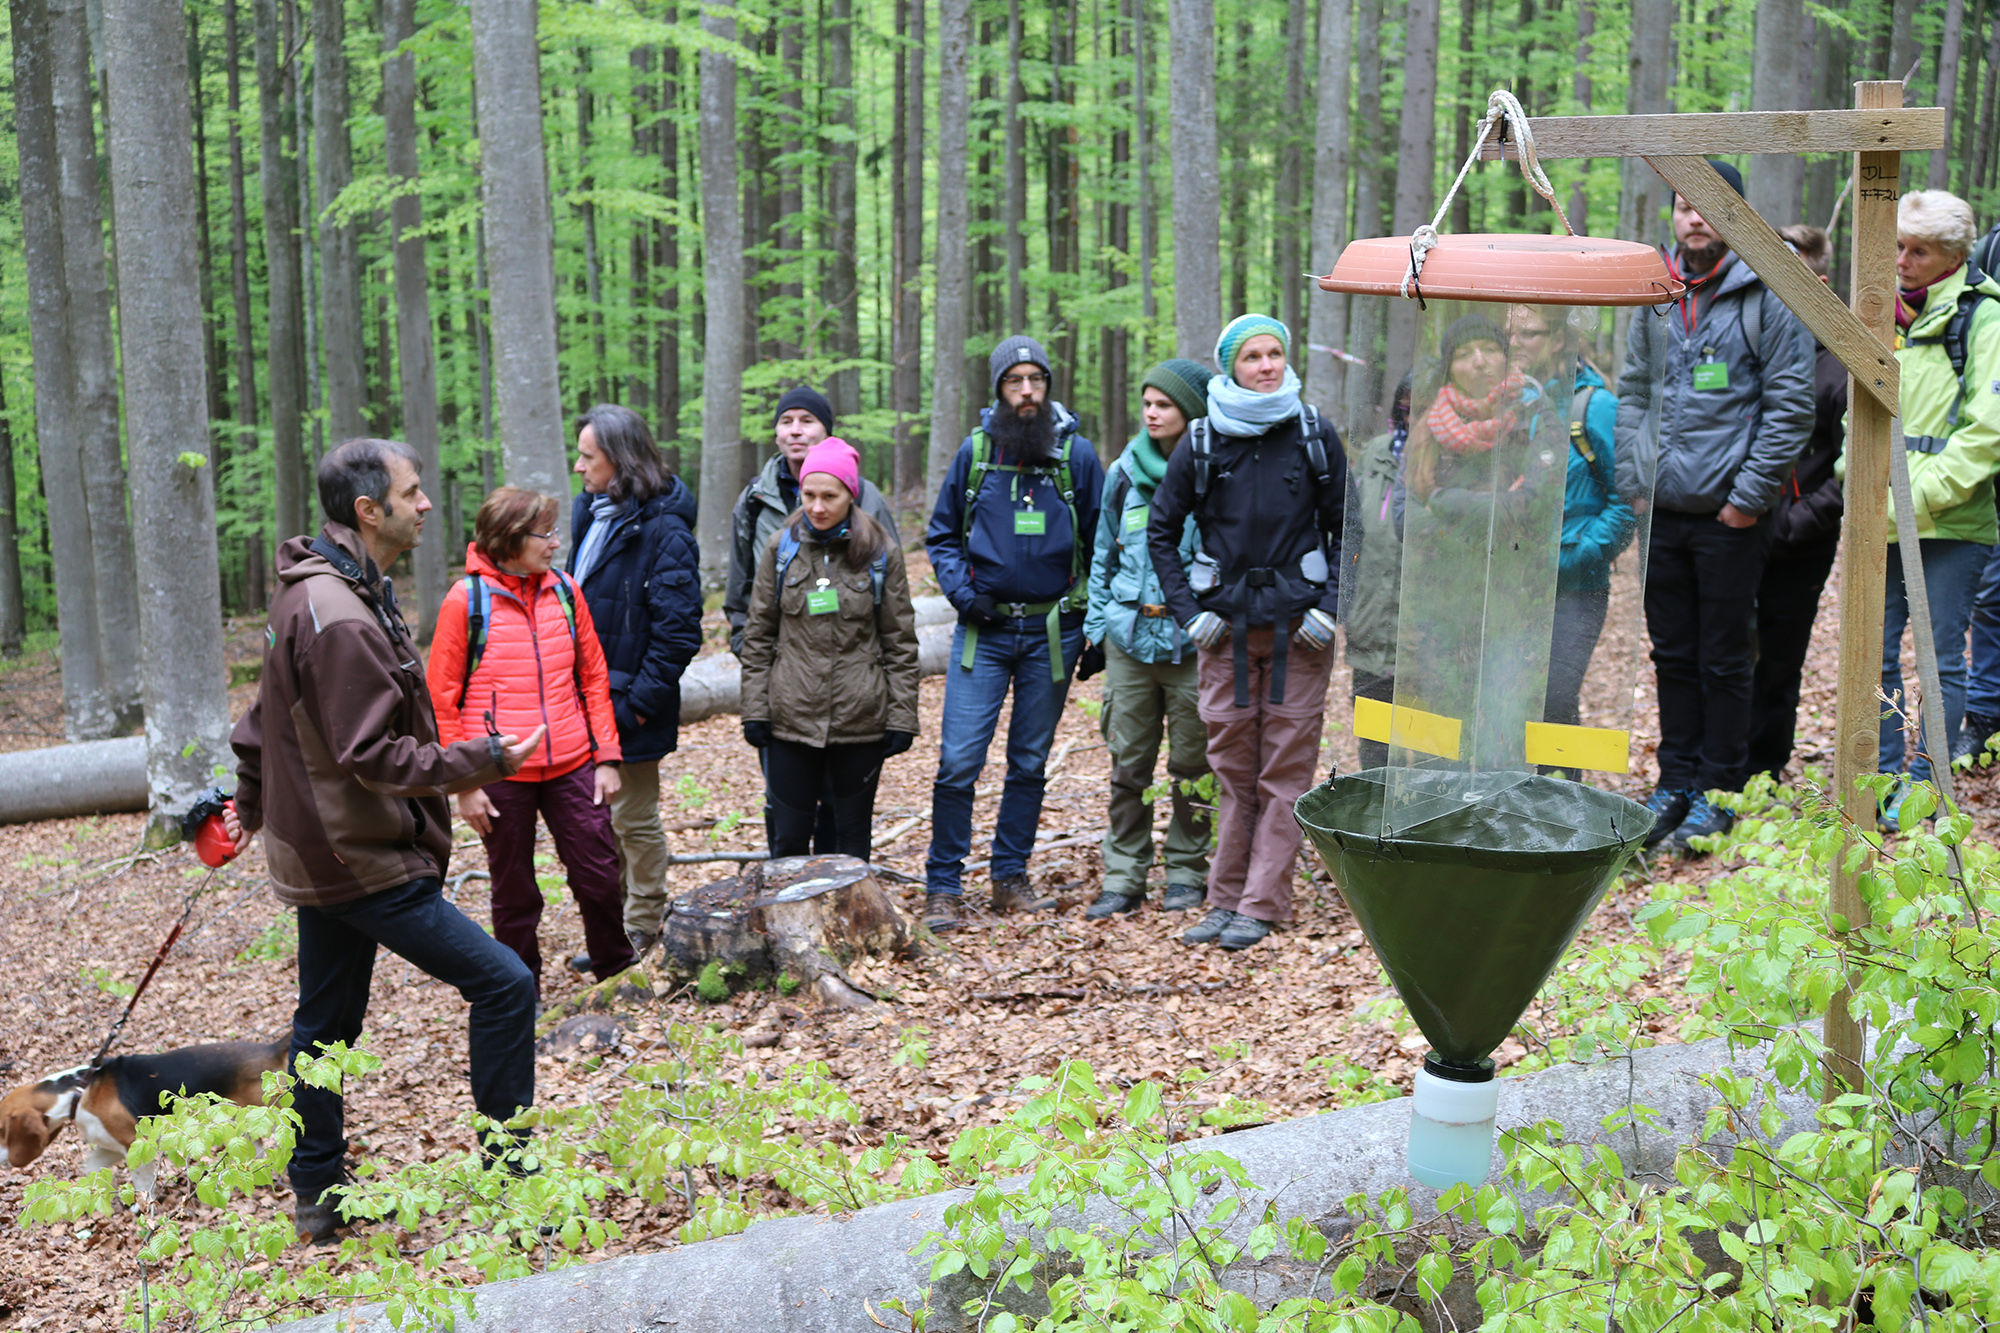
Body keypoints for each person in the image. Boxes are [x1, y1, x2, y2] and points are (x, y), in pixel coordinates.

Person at [225, 439, 546, 1244]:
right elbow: (371, 755)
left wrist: (254, 804)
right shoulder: (335, 614)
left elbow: (263, 723)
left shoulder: (330, 591)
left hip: (323, 849)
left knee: (324, 1028)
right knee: (505, 983)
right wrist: (489, 757)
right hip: (358, 856)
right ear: (368, 511)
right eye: (412, 492)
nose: (427, 503)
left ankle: (316, 1194)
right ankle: (510, 1175)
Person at [1618, 160, 1815, 855]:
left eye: (1709, 207)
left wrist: (1745, 500)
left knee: (1726, 656)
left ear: (1736, 214)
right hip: (1661, 511)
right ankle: (1675, 782)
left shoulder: (1769, 289)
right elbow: (1633, 389)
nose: (1694, 218)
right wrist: (1632, 482)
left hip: (1729, 515)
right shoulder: (1656, 290)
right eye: (1683, 206)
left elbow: (1790, 404)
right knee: (1671, 651)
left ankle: (1720, 789)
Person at [1149, 314, 1345, 951]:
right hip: (1224, 635)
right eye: (1252, 357)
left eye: (1275, 354)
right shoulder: (1203, 441)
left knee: (1284, 773)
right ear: (1229, 366)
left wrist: (1329, 607)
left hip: (1299, 634)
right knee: (1234, 772)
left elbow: (1352, 530)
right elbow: (1160, 532)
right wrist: (1189, 612)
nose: (1266, 366)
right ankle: (1224, 900)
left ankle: (1261, 905)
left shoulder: (1313, 434)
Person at [922, 335, 1105, 932]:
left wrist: (1092, 626)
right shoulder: (975, 454)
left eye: (1036, 380)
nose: (1027, 392)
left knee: (1029, 761)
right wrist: (965, 596)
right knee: (958, 761)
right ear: (998, 389)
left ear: (1048, 385)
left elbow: (1101, 545)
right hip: (985, 633)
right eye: (1014, 382)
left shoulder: (1077, 457)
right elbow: (942, 535)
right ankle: (943, 886)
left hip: (1052, 632)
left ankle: (1009, 877)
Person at [427, 487, 635, 990]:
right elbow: (441, 698)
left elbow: (593, 678)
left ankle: (616, 972)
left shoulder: (564, 590)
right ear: (511, 539)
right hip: (499, 771)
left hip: (571, 761)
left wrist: (606, 755)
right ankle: (522, 989)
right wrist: (463, 784)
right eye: (545, 533)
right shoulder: (465, 600)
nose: (555, 542)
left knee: (600, 876)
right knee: (514, 891)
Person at [725, 386, 901, 853]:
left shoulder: (875, 530)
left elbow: (897, 633)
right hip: (790, 703)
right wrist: (759, 699)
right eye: (787, 420)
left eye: (807, 420)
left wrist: (900, 714)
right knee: (785, 824)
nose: (817, 507)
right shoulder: (764, 515)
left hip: (856, 707)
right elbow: (750, 612)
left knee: (845, 833)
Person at [1875, 191, 2000, 828]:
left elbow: (1988, 429)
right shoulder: (1882, 315)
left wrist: (1918, 495)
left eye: (1918, 250)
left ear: (1953, 256)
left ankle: (1927, 785)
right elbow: (1860, 410)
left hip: (1950, 524)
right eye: (1897, 246)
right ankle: (1880, 775)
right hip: (1882, 519)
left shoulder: (1984, 320)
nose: (1901, 260)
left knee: (1939, 658)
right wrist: (1858, 478)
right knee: (1873, 653)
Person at [566, 405, 702, 962]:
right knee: (597, 822)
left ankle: (643, 923)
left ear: (618, 461)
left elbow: (677, 634)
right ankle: (611, 928)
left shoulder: (665, 529)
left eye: (587, 456)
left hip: (629, 706)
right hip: (583, 702)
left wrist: (637, 707)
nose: (578, 467)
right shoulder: (590, 513)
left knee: (633, 817)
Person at [1081, 359, 1214, 919]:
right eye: (1147, 403)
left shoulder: (1214, 473)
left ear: (1192, 411)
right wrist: (1095, 627)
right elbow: (1103, 556)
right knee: (1127, 766)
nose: (1152, 413)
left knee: (1194, 766)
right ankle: (1124, 875)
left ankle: (1187, 871)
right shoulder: (1122, 475)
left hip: (1192, 643)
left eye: (1165, 404)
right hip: (1129, 641)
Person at [1747, 226, 1847, 782]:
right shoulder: (1748, 343)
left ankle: (1764, 766)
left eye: (1793, 273)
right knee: (1728, 650)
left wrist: (1795, 522)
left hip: (1799, 538)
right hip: (1734, 526)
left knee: (1780, 658)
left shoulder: (1841, 362)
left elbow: (1852, 463)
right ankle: (1722, 769)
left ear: (1820, 281)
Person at [1505, 304, 1634, 729]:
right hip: (1510, 582)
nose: (1514, 343)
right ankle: (1520, 790)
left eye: (1529, 334)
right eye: (1509, 333)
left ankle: (1561, 791)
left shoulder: (1594, 407)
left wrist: (1577, 555)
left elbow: (1628, 501)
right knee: (1513, 696)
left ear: (1559, 339)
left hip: (1576, 587)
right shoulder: (1510, 402)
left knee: (1555, 695)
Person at [1341, 374, 1411, 773]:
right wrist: (1348, 606)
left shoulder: (1456, 457)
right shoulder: (1375, 453)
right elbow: (1351, 534)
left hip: (1425, 643)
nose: (1413, 415)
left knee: (1429, 758)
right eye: (1406, 404)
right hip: (1371, 631)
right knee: (1374, 755)